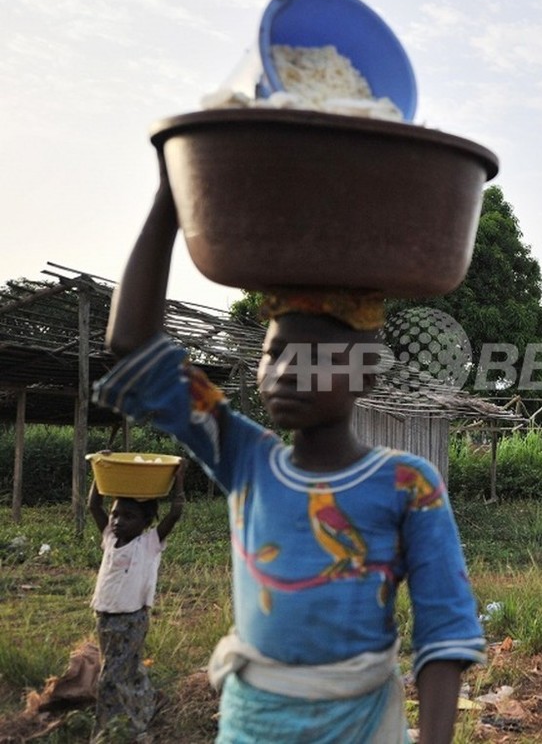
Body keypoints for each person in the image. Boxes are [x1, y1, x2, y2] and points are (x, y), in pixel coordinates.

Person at [91, 160, 486, 743]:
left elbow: (444, 630)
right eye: (275, 354)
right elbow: (130, 345)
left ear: (366, 374)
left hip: (361, 725)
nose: (284, 374)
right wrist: (169, 202)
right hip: (254, 723)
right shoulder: (244, 454)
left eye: (317, 356)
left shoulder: (408, 483)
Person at [88, 460, 186, 741]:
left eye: (128, 516)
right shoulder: (109, 538)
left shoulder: (148, 544)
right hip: (104, 617)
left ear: (146, 523)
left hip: (131, 619)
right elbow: (95, 506)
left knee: (110, 677)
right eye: (116, 515)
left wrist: (179, 480)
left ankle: (109, 731)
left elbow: (175, 512)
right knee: (129, 670)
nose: (117, 521)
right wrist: (100, 470)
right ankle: (145, 705)